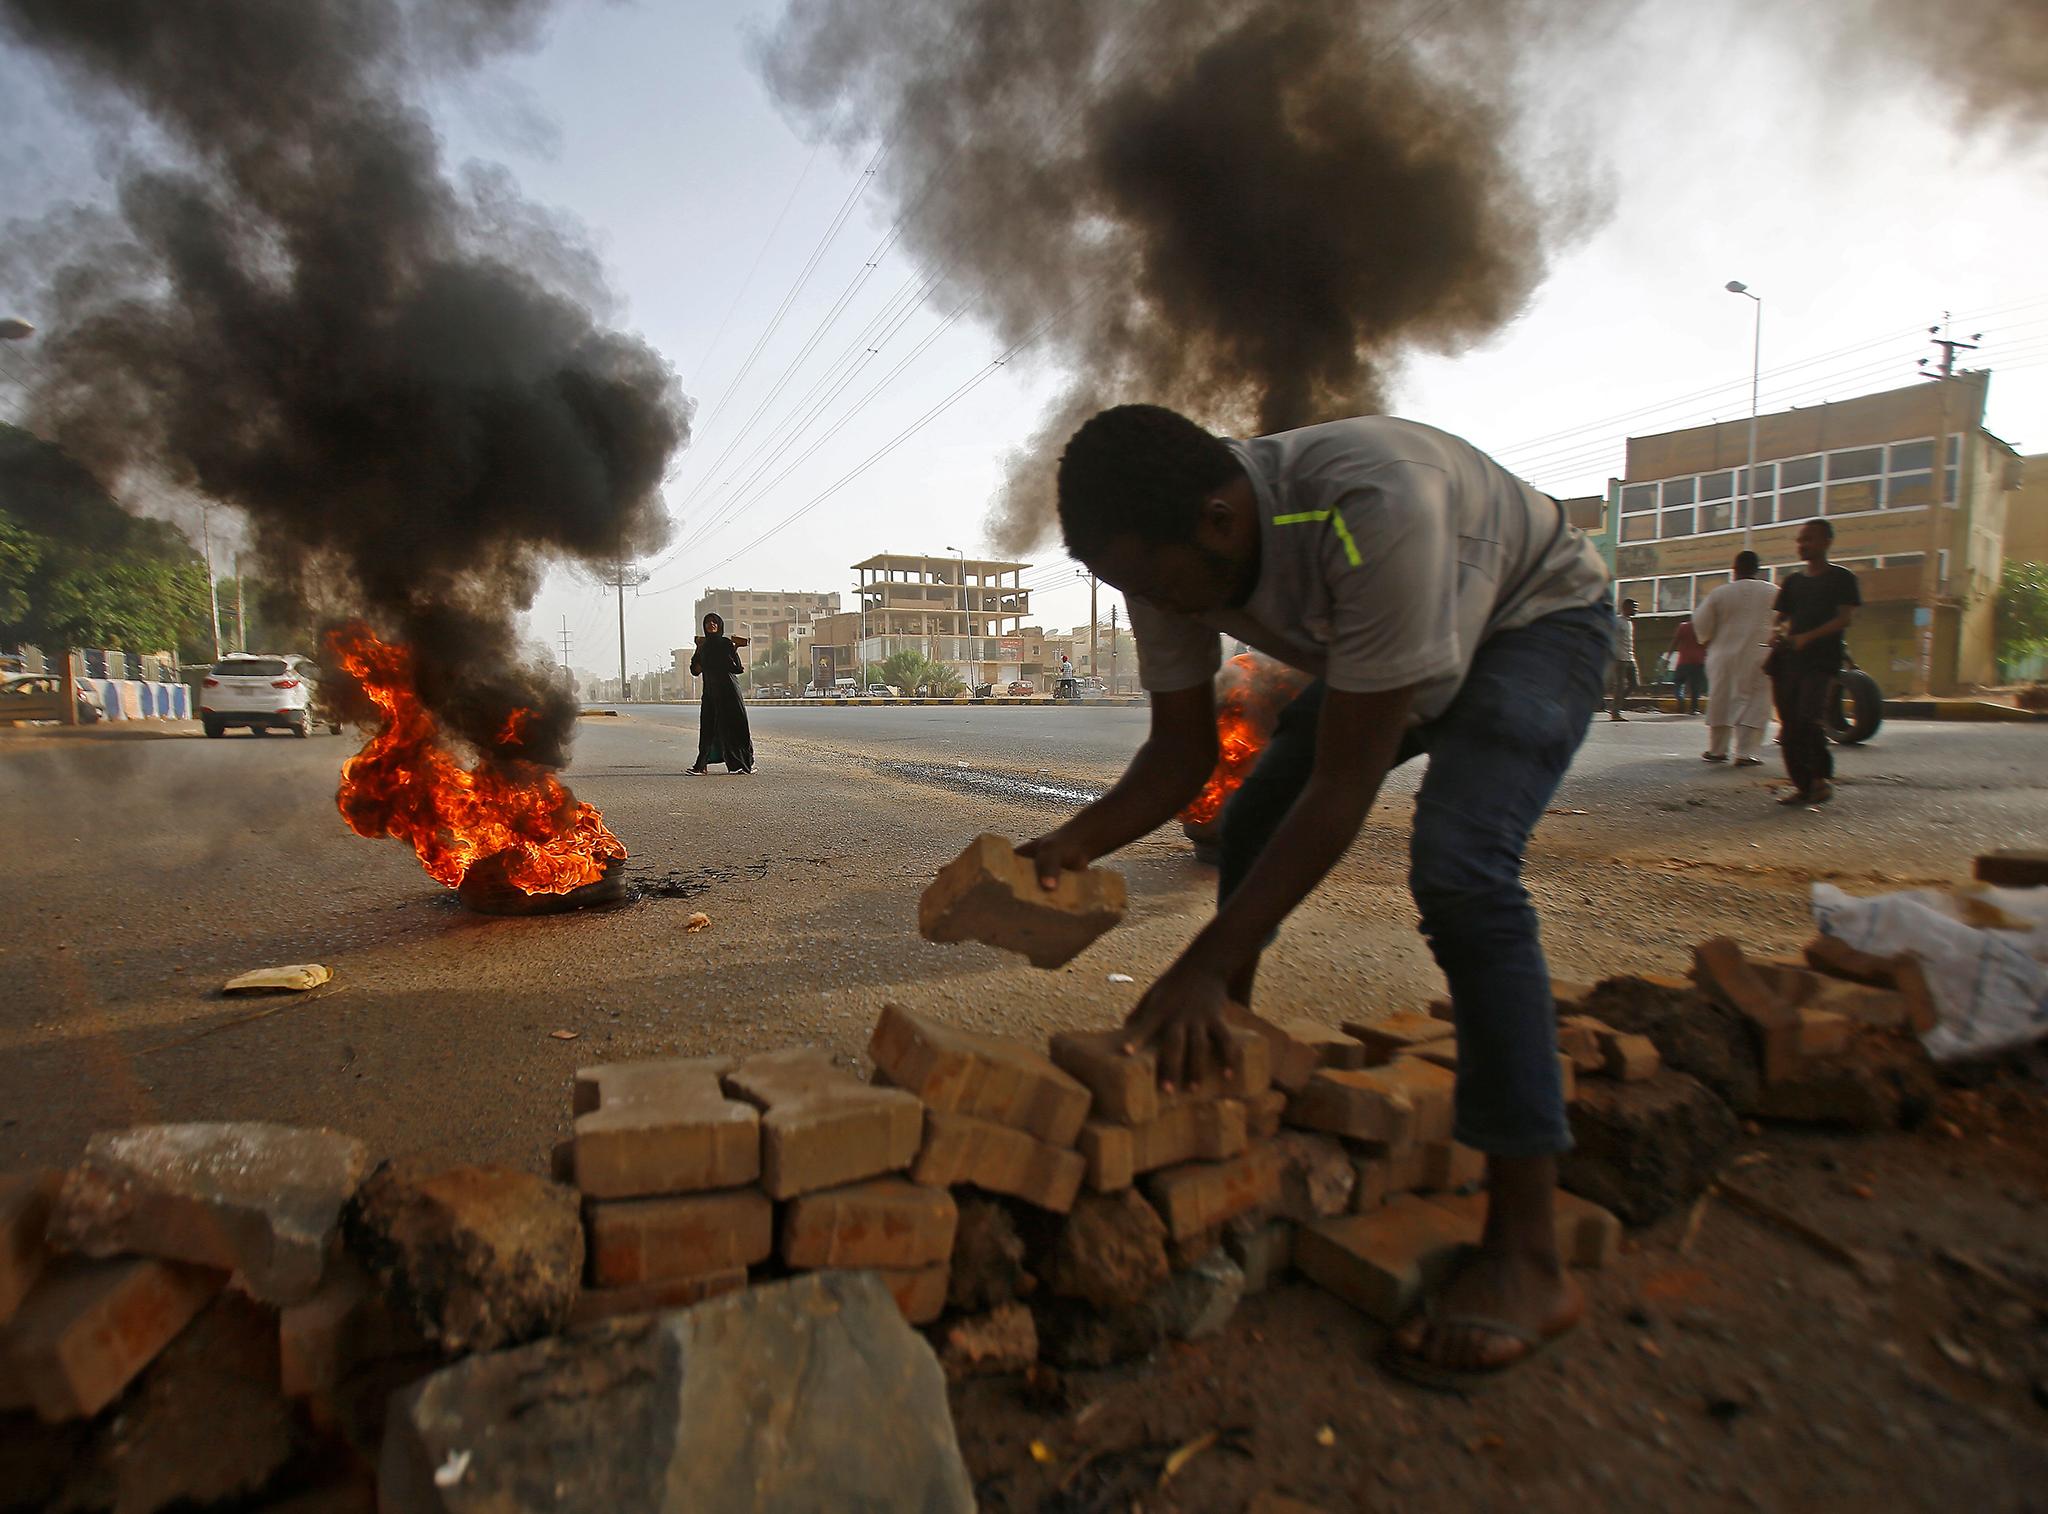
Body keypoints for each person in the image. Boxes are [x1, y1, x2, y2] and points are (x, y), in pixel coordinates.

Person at [1015, 405, 1610, 1387]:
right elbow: (1179, 754)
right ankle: (1221, 1078)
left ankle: (1527, 1254)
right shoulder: (1160, 555)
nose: (1146, 604)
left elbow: (1344, 790)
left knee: (1463, 870)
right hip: (1402, 643)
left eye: (1151, 582)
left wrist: (1198, 962)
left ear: (1216, 520)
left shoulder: (1368, 507)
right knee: (1251, 819)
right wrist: (1070, 841)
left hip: (1529, 621)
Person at [1770, 519, 1859, 806]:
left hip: (1822, 661)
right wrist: (1778, 634)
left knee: (1809, 719)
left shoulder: (1841, 578)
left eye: (1808, 539)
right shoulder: (1793, 582)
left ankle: (1820, 780)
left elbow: (1844, 619)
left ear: (1826, 542)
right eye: (1800, 540)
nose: (1802, 545)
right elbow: (1781, 619)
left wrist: (1808, 637)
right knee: (1790, 725)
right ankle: (1803, 785)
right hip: (1789, 661)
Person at [1692, 551, 1777, 766]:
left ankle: (1717, 750)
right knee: (1756, 701)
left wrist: (1707, 639)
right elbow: (1786, 623)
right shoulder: (1774, 592)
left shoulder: (1720, 593)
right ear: (1757, 569)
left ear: (1734, 568)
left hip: (1724, 655)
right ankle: (1746, 753)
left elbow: (1701, 623)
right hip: (1761, 654)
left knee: (1722, 700)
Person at [687, 613, 755, 775]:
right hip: (710, 693)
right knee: (708, 728)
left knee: (735, 727)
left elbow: (737, 668)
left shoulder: (725, 644)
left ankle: (743, 764)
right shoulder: (702, 647)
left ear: (719, 625)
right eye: (708, 622)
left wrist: (735, 648)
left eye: (714, 622)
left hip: (729, 691)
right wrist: (698, 650)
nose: (711, 624)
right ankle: (701, 765)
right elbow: (695, 671)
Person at [1607, 598, 1638, 720]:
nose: (1636, 610)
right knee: (1620, 686)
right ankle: (1615, 712)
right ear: (1626, 607)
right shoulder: (1618, 622)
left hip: (1630, 657)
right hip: (1619, 658)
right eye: (1634, 607)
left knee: (1634, 684)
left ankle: (1615, 705)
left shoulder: (1629, 622)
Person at [1670, 617, 1707, 715]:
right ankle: (1693, 709)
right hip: (1698, 661)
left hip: (1683, 661)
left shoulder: (1683, 626)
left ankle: (1680, 698)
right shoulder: (1704, 629)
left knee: (1678, 682)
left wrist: (1668, 656)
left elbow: (1675, 641)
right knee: (1695, 686)